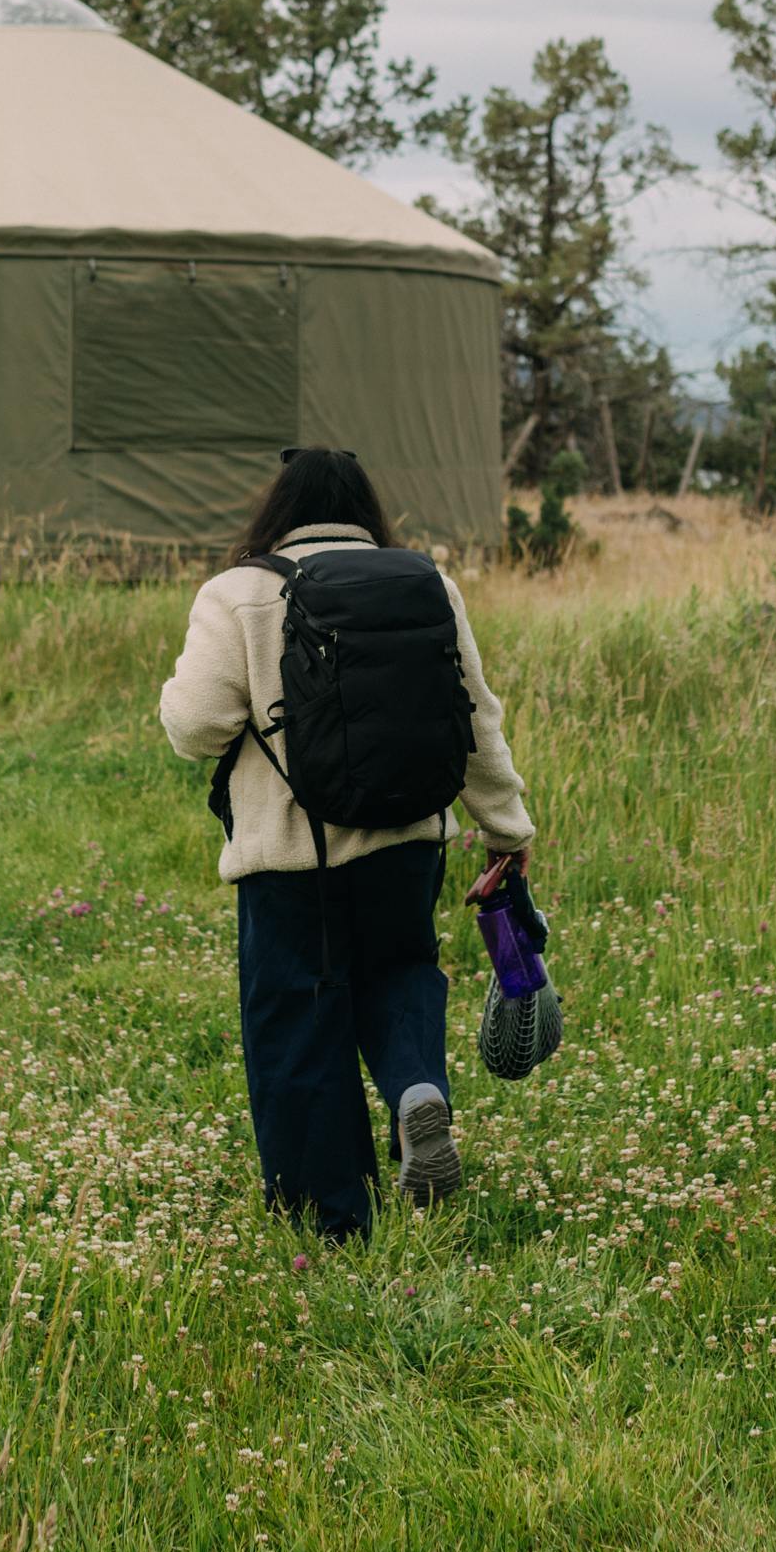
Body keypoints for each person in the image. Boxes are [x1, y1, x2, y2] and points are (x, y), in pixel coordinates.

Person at [159, 447, 533, 1240]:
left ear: (276, 508)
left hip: (292, 856)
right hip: (409, 841)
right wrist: (507, 827)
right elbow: (475, 718)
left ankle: (331, 1221)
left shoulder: (237, 592)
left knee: (297, 1015)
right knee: (400, 972)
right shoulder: (427, 582)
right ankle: (413, 1090)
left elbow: (195, 724)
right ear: (365, 508)